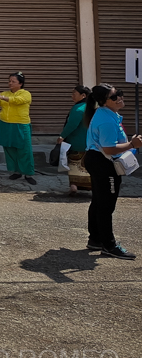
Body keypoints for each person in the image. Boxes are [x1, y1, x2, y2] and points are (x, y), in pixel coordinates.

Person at [83, 84, 142, 260]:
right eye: (115, 96)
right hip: (103, 163)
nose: (120, 98)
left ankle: (95, 239)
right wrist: (133, 145)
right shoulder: (106, 119)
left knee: (99, 201)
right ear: (104, 101)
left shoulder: (107, 114)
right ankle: (109, 245)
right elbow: (108, 148)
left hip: (98, 161)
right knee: (106, 205)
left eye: (120, 94)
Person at [0, 72, 35, 185]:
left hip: (21, 124)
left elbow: (17, 101)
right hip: (5, 124)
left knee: (24, 149)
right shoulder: (5, 93)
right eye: (9, 81)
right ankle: (16, 171)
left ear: (20, 84)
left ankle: (28, 173)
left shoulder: (26, 94)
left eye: (13, 81)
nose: (10, 83)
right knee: (9, 148)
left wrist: (0, 96)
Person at [57, 85, 91, 195]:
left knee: (73, 164)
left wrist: (62, 136)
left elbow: (71, 125)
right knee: (87, 167)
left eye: (74, 94)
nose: (72, 96)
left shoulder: (78, 109)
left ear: (83, 95)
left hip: (76, 142)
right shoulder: (92, 107)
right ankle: (90, 187)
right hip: (89, 143)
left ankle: (74, 186)